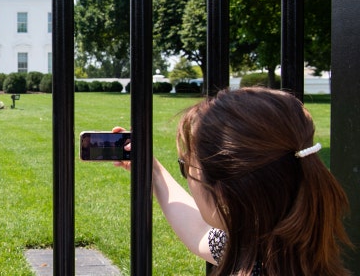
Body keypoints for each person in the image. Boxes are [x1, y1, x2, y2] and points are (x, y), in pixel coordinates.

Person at [113, 87, 352, 275]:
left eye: (186, 166)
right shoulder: (277, 248)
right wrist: (152, 170)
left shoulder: (255, 252)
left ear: (225, 193)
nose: (187, 175)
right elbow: (201, 233)